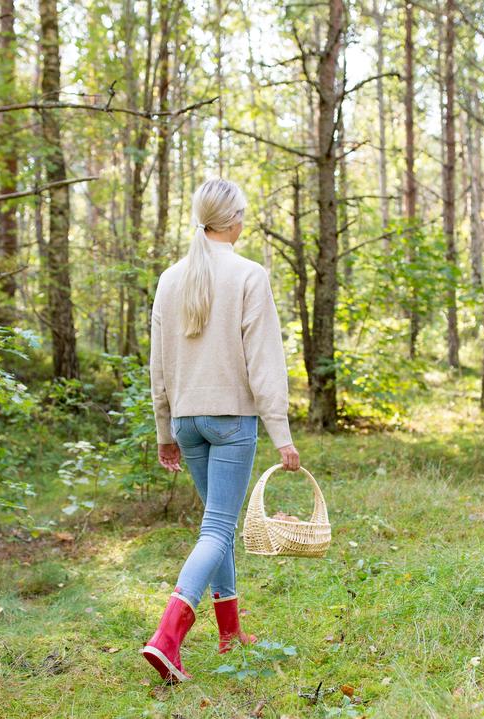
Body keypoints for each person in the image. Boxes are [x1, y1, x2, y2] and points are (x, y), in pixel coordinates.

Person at [141, 178, 301, 683]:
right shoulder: (249, 274)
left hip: (187, 421)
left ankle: (230, 632)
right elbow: (265, 361)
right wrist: (281, 432)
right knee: (217, 529)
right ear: (232, 220)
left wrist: (164, 429)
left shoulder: (170, 278)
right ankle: (168, 637)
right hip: (231, 421)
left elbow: (158, 365)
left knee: (218, 523)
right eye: (243, 214)